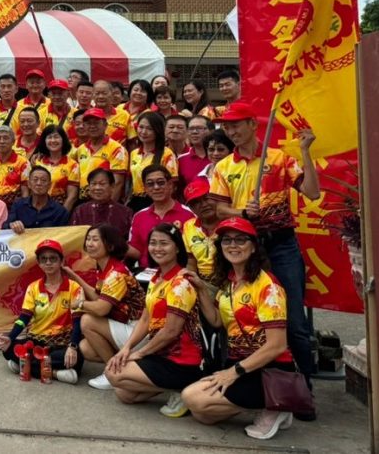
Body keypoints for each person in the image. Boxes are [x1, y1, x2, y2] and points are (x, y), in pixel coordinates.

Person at [209, 102, 320, 391]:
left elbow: (312, 191)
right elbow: (219, 210)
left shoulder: (279, 159)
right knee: (239, 314)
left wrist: (306, 152)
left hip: (281, 245)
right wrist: (242, 213)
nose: (230, 131)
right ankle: (242, 381)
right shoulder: (223, 166)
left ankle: (303, 387)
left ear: (253, 125)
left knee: (293, 319)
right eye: (227, 126)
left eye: (236, 125)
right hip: (243, 246)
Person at [180, 217, 299, 439]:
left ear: (254, 246)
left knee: (192, 397)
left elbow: (277, 345)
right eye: (226, 241)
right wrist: (202, 290)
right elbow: (216, 321)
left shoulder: (268, 287)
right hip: (241, 364)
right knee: (203, 415)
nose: (233, 246)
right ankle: (270, 403)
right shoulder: (230, 282)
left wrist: (232, 374)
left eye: (240, 240)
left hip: (269, 368)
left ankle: (276, 404)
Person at [105, 225, 203, 412]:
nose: (157, 248)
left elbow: (171, 331)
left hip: (181, 361)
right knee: (123, 393)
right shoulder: (156, 278)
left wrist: (140, 353)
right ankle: (178, 390)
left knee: (114, 374)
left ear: (177, 248)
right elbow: (144, 319)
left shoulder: (180, 283)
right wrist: (126, 348)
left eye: (164, 243)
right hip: (160, 354)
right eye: (153, 243)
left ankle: (184, 386)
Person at [62, 224, 145, 390]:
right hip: (124, 327)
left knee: (87, 321)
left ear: (110, 245)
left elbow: (101, 308)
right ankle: (124, 367)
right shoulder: (104, 268)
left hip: (137, 332)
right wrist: (73, 275)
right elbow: (98, 297)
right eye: (88, 239)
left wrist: (80, 304)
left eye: (95, 239)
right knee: (85, 348)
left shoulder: (116, 273)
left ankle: (112, 373)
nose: (89, 244)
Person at [2, 239, 83, 384]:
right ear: (39, 263)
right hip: (36, 341)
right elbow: (23, 318)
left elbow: (78, 321)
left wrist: (72, 346)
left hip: (61, 343)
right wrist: (10, 336)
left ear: (61, 261)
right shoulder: (33, 288)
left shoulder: (74, 287)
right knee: (7, 350)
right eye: (44, 259)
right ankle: (56, 373)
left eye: (53, 259)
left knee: (77, 359)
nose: (48, 263)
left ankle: (24, 365)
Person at [127, 165, 195, 269]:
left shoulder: (188, 214)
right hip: (146, 274)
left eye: (161, 182)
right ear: (145, 188)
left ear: (170, 185)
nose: (156, 187)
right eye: (150, 184)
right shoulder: (139, 216)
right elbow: (137, 250)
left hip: (178, 275)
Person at [71, 108, 128, 202]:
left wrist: (110, 207)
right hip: (84, 202)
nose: (92, 126)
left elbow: (118, 183)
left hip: (106, 202)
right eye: (89, 123)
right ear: (84, 126)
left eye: (96, 123)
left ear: (105, 125)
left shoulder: (117, 149)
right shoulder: (81, 149)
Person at [127, 112, 177, 211]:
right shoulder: (134, 153)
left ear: (157, 131)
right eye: (141, 127)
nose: (143, 132)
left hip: (156, 201)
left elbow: (173, 184)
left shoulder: (167, 154)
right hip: (136, 201)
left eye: (149, 129)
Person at [69, 169, 133, 240]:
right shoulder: (80, 211)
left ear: (112, 186)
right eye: (93, 184)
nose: (97, 188)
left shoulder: (125, 212)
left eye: (102, 184)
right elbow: (73, 237)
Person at [5, 166, 70, 231]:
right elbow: (4, 228)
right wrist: (12, 225)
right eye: (35, 180)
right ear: (29, 184)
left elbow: (63, 235)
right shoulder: (18, 205)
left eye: (43, 180)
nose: (39, 183)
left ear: (49, 185)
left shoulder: (60, 211)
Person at [182, 180, 221, 286]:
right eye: (196, 202)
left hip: (228, 280)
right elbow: (191, 261)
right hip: (202, 281)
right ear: (191, 208)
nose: (203, 205)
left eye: (206, 198)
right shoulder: (188, 226)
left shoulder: (230, 223)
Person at [31, 125, 80, 211]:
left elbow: (72, 197)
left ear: (63, 140)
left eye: (56, 137)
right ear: (44, 141)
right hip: (37, 210)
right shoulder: (37, 162)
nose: (53, 140)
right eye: (49, 138)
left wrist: (61, 215)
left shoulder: (73, 165)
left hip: (60, 210)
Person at [0, 125, 29, 206]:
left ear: (13, 141)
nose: (2, 141)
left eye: (6, 138)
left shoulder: (23, 162)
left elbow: (25, 191)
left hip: (12, 207)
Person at [92, 80, 136, 145]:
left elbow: (132, 141)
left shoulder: (124, 115)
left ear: (112, 94)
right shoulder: (87, 116)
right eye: (97, 93)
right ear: (93, 95)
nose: (101, 96)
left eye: (104, 93)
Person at [180, 116, 214, 183]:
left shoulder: (220, 156)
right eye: (191, 129)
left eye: (199, 128)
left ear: (211, 131)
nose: (194, 132)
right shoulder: (181, 160)